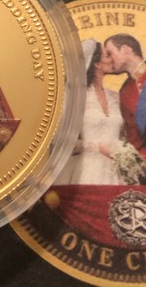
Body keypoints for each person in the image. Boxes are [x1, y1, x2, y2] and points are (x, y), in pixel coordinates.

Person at [105, 33, 146, 184]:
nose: (108, 60)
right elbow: (135, 141)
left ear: (125, 49)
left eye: (110, 53)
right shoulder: (125, 92)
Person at [56, 39, 124, 185]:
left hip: (115, 172)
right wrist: (96, 147)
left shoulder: (116, 97)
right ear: (96, 63)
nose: (112, 59)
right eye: (107, 56)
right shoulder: (75, 98)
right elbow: (60, 141)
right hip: (86, 171)